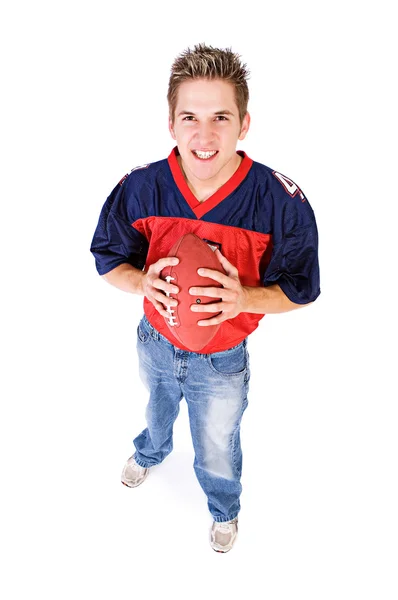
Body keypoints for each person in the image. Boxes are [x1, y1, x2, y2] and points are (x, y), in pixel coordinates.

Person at [90, 43, 320, 553]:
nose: (205, 133)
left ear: (244, 123)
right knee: (156, 410)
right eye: (189, 116)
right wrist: (142, 282)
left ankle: (224, 508)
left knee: (217, 445)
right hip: (155, 336)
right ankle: (150, 453)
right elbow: (110, 260)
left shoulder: (278, 202)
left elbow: (302, 291)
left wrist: (246, 299)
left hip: (221, 358)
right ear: (171, 123)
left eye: (221, 116)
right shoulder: (141, 187)